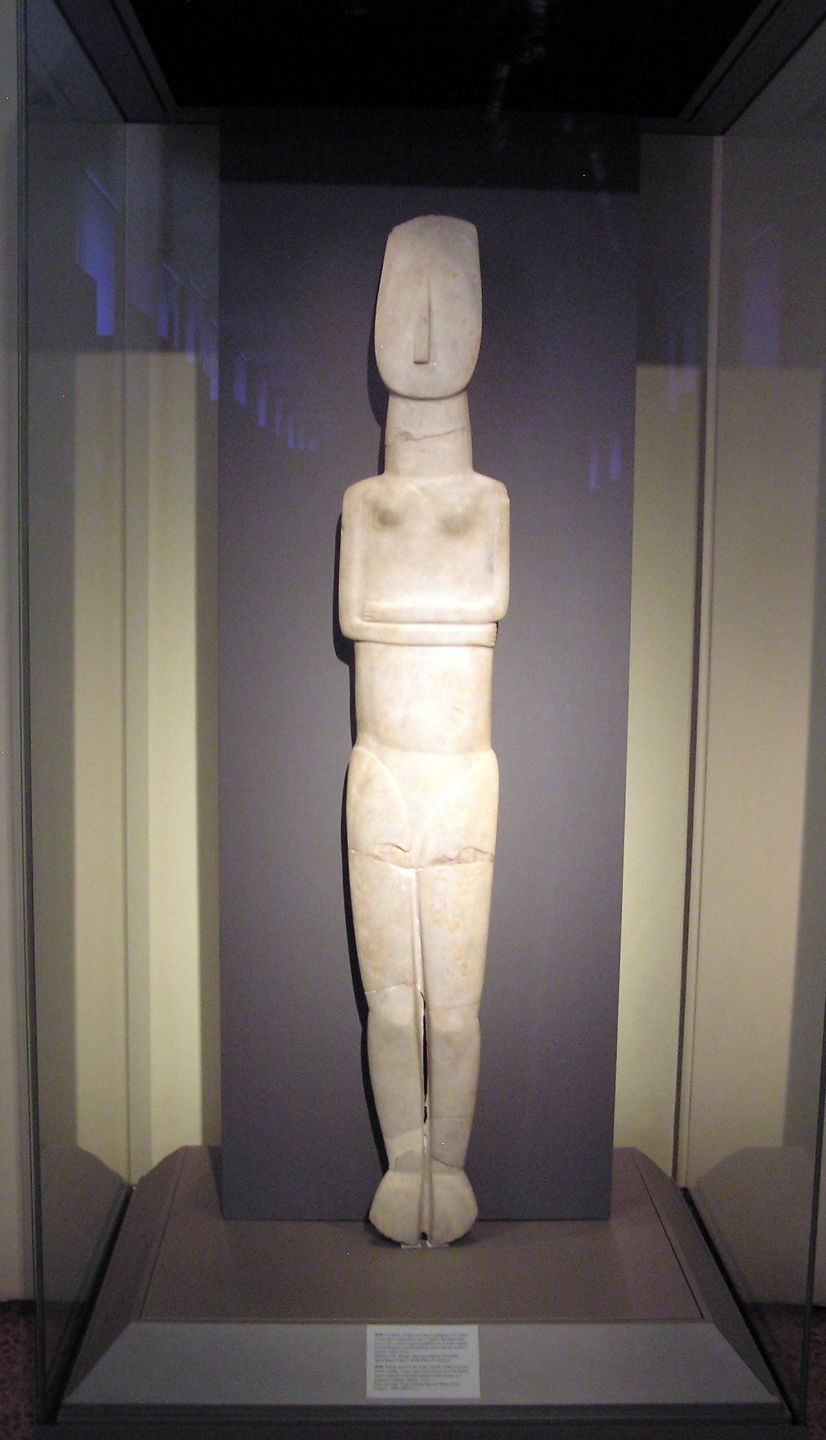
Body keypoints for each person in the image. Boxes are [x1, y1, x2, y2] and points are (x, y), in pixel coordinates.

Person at [339, 215, 509, 1244]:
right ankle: (406, 1163)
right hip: (383, 772)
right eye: (408, 292)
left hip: (459, 777)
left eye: (450, 295)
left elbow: (480, 603)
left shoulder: (485, 501)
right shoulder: (367, 502)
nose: (428, 328)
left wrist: (419, 604)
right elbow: (362, 613)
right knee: (395, 1007)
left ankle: (450, 1164)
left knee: (453, 1008)